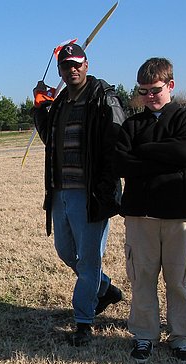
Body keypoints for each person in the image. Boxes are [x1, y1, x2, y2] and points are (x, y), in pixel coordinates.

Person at [33, 40, 125, 346]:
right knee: (65, 252)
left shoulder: (103, 98)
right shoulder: (60, 103)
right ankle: (106, 289)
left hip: (90, 194)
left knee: (87, 261)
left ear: (86, 65)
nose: (72, 69)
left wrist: (105, 190)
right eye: (66, 65)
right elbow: (50, 139)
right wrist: (42, 107)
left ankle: (83, 321)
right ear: (60, 70)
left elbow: (116, 144)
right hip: (61, 192)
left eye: (77, 64)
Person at [114, 58, 186, 363]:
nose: (150, 96)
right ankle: (144, 335)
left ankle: (181, 336)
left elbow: (185, 154)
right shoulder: (131, 124)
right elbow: (121, 163)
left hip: (179, 214)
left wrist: (143, 151)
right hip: (140, 215)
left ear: (170, 86)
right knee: (142, 279)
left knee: (178, 280)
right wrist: (164, 155)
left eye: (156, 90)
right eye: (144, 91)